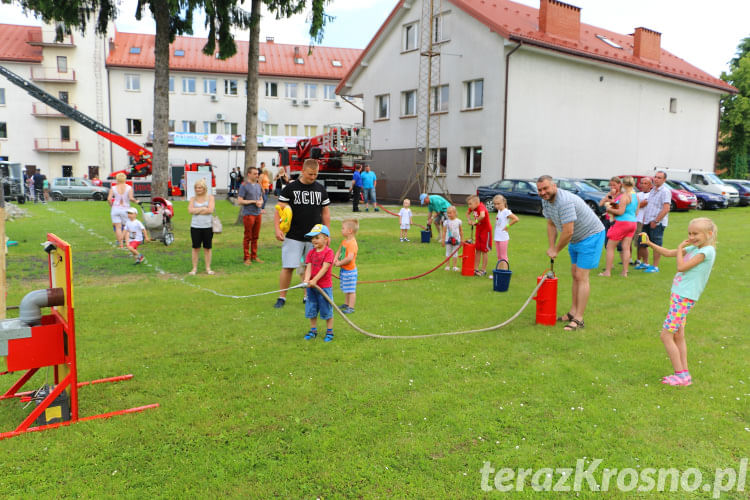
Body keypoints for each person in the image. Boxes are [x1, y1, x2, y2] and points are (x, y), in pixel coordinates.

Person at [640, 218, 717, 386]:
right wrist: (650, 243)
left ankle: (680, 375)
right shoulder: (695, 248)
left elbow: (681, 267)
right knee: (678, 335)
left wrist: (681, 248)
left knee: (666, 335)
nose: (691, 236)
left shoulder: (706, 251)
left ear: (709, 234)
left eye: (695, 233)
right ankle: (684, 373)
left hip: (684, 298)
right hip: (679, 296)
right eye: (690, 233)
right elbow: (668, 252)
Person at [536, 175, 605, 331]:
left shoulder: (564, 201)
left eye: (545, 188)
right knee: (574, 273)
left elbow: (568, 231)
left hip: (590, 236)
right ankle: (573, 312)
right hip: (575, 239)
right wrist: (551, 245)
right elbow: (551, 223)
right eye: (539, 190)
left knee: (581, 275)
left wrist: (556, 250)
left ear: (554, 186)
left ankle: (579, 319)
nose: (542, 192)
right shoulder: (546, 200)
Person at [273, 159, 331, 308]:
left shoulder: (320, 189)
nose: (313, 177)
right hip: (293, 235)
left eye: (316, 174)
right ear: (303, 171)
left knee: (310, 267)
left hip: (315, 237)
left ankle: (307, 296)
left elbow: (325, 213)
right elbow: (279, 209)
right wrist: (278, 229)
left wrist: (327, 233)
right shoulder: (290, 188)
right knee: (288, 266)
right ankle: (282, 297)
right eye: (310, 174)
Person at [599, 176, 638, 277]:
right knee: (626, 247)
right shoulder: (636, 196)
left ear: (623, 184)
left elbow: (620, 212)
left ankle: (607, 272)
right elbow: (636, 212)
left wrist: (609, 209)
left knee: (610, 247)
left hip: (622, 223)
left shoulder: (625, 196)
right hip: (633, 223)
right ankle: (624, 272)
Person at [303, 224, 335, 342]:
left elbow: (325, 268)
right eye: (312, 238)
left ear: (326, 239)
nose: (313, 240)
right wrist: (307, 279)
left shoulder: (329, 252)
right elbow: (309, 268)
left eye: (317, 237)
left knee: (326, 309)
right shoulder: (311, 253)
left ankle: (329, 332)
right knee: (311, 309)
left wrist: (315, 280)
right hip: (311, 287)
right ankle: (313, 330)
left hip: (324, 287)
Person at [639, 171, 671, 273]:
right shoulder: (652, 190)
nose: (656, 179)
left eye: (659, 178)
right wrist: (645, 219)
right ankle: (645, 263)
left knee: (656, 245)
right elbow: (650, 205)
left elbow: (666, 208)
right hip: (647, 221)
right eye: (655, 177)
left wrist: (656, 221)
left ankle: (655, 266)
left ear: (664, 180)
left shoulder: (665, 191)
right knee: (643, 243)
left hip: (657, 223)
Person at [188, 178, 216, 275]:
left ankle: (208, 268)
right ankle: (194, 268)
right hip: (195, 226)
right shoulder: (192, 198)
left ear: (204, 188)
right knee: (195, 248)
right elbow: (190, 210)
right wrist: (203, 208)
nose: (198, 189)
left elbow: (210, 210)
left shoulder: (210, 198)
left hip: (208, 226)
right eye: (196, 188)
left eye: (200, 188)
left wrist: (197, 210)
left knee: (207, 248)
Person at [238, 167, 263, 265]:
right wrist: (253, 201)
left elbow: (260, 197)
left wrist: (260, 202)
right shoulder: (244, 186)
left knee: (255, 236)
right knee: (248, 236)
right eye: (255, 174)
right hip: (249, 214)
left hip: (258, 213)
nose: (257, 175)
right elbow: (240, 200)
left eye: (257, 173)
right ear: (249, 174)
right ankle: (246, 257)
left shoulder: (258, 185)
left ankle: (254, 256)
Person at [334, 219, 359, 314]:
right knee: (346, 288)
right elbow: (339, 251)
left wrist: (339, 263)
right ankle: (346, 304)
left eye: (343, 228)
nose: (341, 230)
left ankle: (351, 307)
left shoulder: (352, 243)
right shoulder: (345, 241)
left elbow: (349, 258)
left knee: (351, 290)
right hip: (344, 270)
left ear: (350, 231)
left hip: (350, 271)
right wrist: (335, 259)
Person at [108, 172, 136, 248]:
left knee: (118, 227)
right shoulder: (129, 187)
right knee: (126, 226)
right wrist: (136, 201)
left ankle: (120, 244)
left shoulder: (113, 188)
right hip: (125, 208)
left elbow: (109, 199)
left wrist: (111, 206)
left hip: (115, 208)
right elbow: (131, 198)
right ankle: (127, 242)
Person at [466, 194, 493, 277]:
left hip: (486, 231)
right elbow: (467, 214)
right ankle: (476, 268)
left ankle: (483, 270)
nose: (469, 206)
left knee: (484, 251)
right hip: (479, 230)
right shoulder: (472, 208)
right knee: (477, 249)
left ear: (477, 202)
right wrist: (469, 220)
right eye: (468, 204)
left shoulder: (481, 207)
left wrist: (475, 222)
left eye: (470, 204)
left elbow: (482, 215)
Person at [493, 194, 519, 264]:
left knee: (503, 256)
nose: (496, 206)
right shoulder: (499, 211)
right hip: (497, 237)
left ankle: (504, 271)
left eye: (498, 204)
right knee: (499, 256)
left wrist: (507, 226)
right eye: (495, 204)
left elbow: (516, 219)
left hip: (503, 237)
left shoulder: (506, 211)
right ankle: (499, 271)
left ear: (503, 202)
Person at [633, 176, 652, 269]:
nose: (643, 185)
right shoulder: (638, 194)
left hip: (643, 221)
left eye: (646, 183)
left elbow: (641, 204)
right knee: (636, 242)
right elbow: (634, 205)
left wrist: (637, 204)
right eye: (642, 183)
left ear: (650, 185)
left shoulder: (651, 195)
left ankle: (645, 261)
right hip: (634, 220)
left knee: (642, 243)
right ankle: (638, 260)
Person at [441, 205, 463, 271]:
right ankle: (447, 266)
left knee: (455, 253)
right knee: (448, 252)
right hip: (448, 240)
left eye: (450, 213)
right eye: (448, 213)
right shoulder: (446, 222)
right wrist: (443, 240)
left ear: (455, 213)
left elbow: (461, 231)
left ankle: (454, 266)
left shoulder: (459, 221)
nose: (449, 214)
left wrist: (462, 240)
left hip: (456, 240)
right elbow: (444, 231)